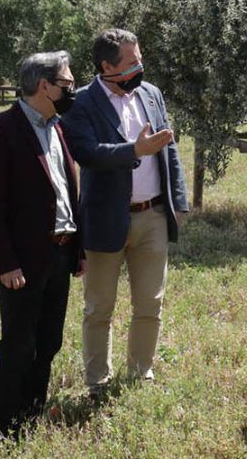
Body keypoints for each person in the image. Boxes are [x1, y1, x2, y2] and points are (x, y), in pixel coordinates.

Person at [64, 28, 189, 400]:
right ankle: (97, 381)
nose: (140, 66)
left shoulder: (151, 95)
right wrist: (134, 150)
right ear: (107, 66)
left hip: (152, 215)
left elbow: (170, 150)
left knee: (150, 302)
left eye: (140, 58)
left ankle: (140, 372)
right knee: (99, 307)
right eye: (132, 62)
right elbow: (87, 153)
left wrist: (177, 202)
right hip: (105, 218)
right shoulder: (81, 103)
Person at [0, 50, 84, 438]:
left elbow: (67, 191)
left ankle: (31, 418)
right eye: (67, 84)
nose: (72, 90)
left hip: (61, 253)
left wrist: (78, 249)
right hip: (22, 262)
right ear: (45, 86)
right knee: (19, 344)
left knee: (49, 342)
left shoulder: (57, 128)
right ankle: (6, 427)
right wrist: (5, 263)